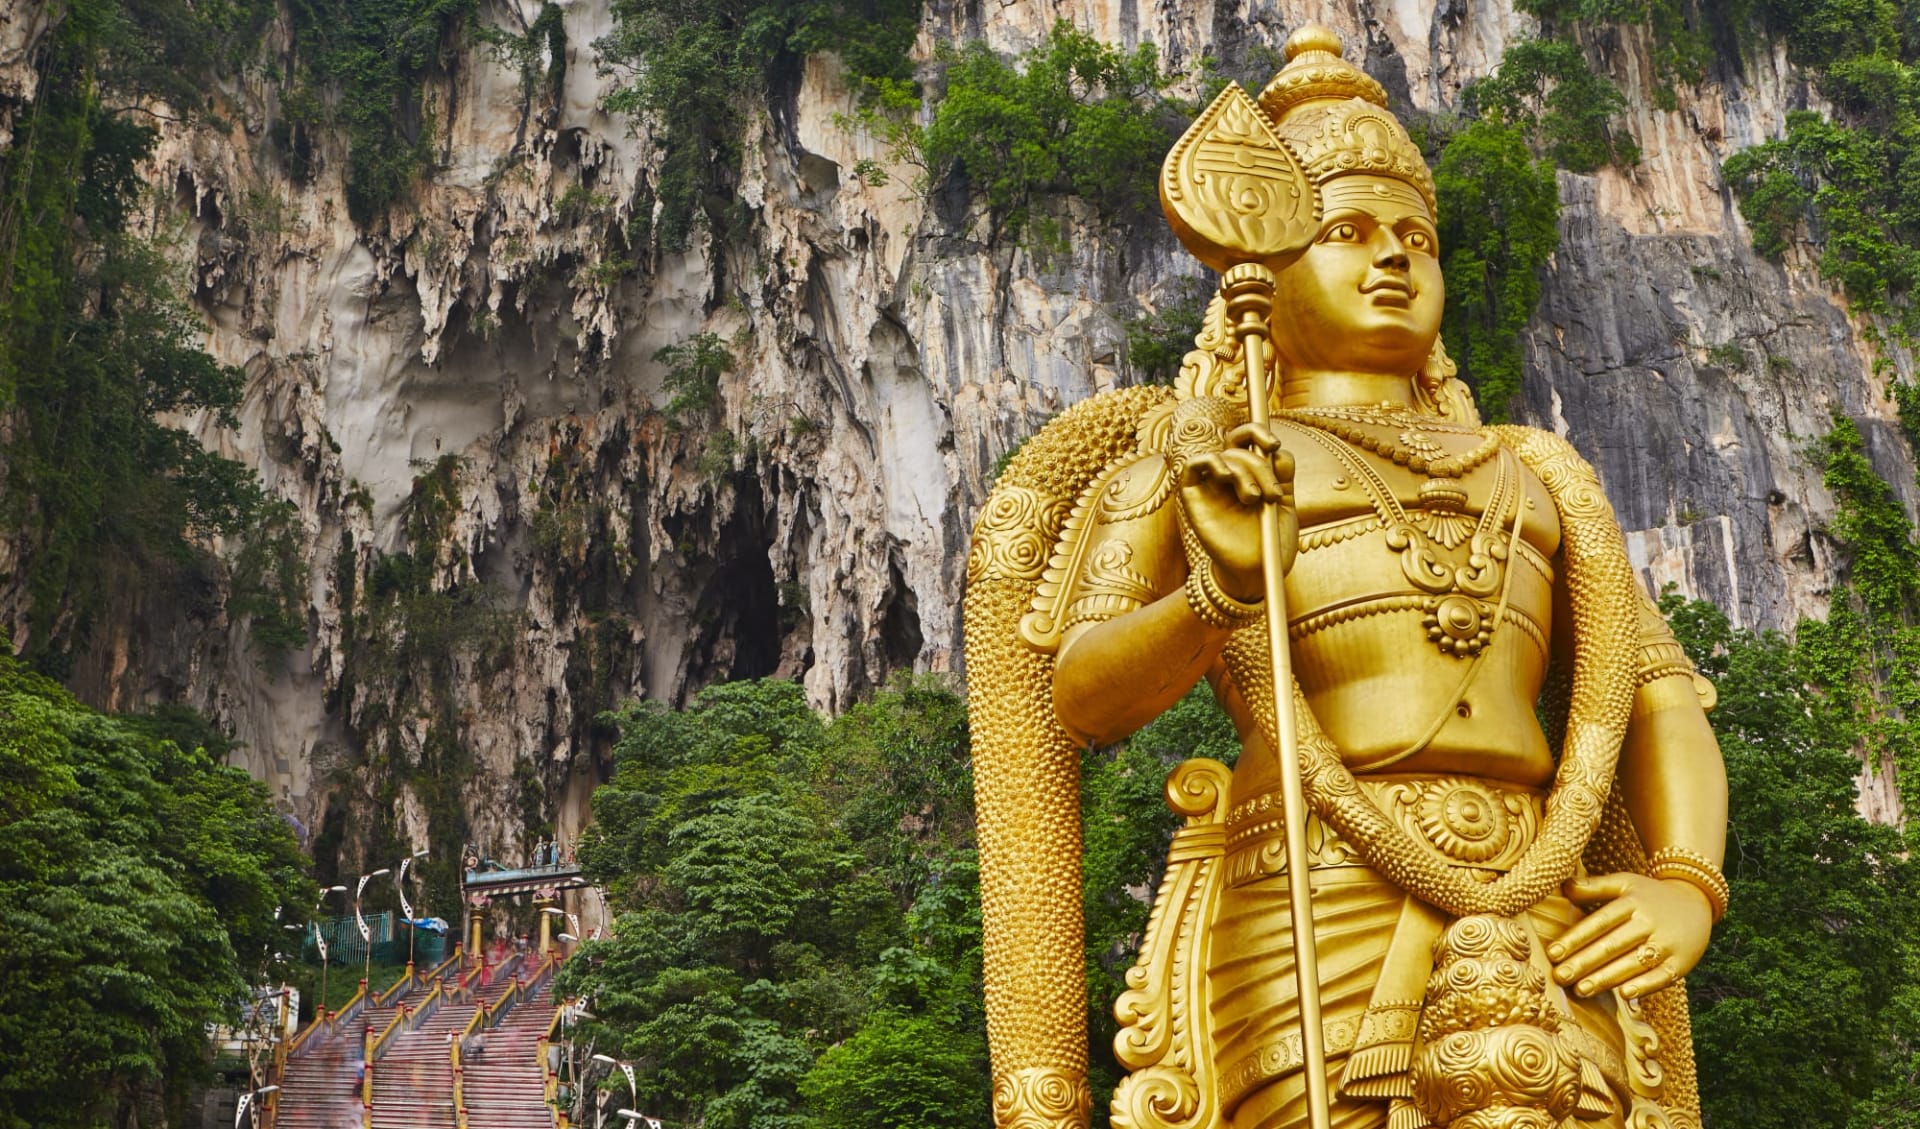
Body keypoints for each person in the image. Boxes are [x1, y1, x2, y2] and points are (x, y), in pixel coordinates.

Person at [965, 26, 1727, 1129]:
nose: (1393, 259)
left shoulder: (1535, 472)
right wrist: (1213, 596)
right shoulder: (1203, 459)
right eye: (1349, 231)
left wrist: (1686, 879)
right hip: (1308, 894)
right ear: (1264, 266)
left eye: (1417, 235)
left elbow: (1654, 693)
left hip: (1541, 900)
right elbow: (1080, 694)